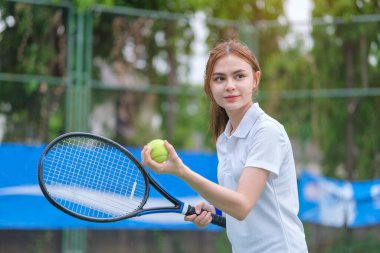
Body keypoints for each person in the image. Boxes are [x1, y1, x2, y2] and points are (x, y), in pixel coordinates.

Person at [141, 39, 308, 253]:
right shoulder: (225, 139)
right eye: (220, 78)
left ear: (255, 80)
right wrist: (216, 212)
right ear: (209, 87)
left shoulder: (267, 132)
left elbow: (242, 205)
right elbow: (239, 207)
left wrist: (181, 171)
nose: (230, 85)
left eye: (239, 76)